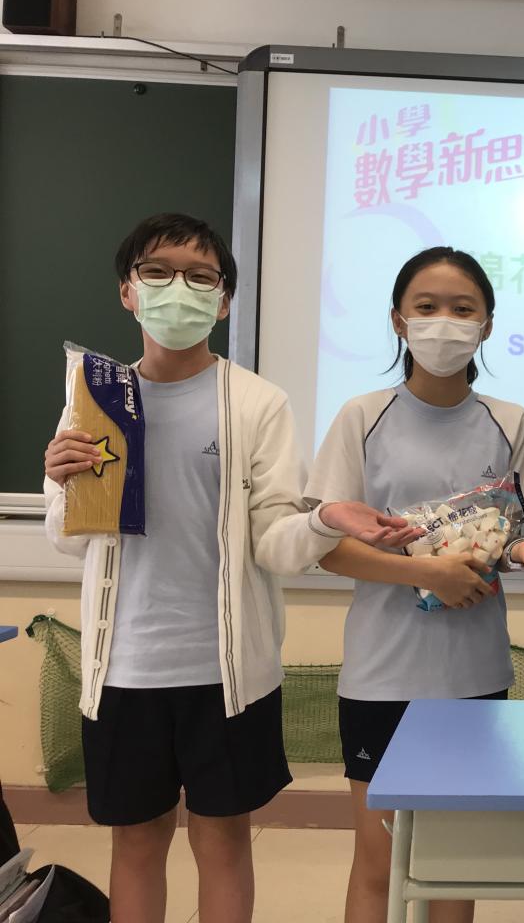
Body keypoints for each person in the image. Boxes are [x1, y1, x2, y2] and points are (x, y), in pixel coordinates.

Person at [263, 246, 524, 923]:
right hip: (383, 673)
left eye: (463, 309)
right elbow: (329, 549)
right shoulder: (362, 415)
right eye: (427, 307)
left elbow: (509, 532)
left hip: (475, 673)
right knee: (379, 863)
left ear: (487, 325)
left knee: (451, 861)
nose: (445, 322)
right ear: (398, 320)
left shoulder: (511, 421)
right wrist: (425, 573)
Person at [42, 214, 338, 923]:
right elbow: (69, 539)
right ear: (128, 292)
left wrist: (326, 522)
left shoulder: (258, 402)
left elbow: (273, 540)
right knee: (137, 843)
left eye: (201, 277)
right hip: (123, 668)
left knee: (224, 841)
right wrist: (60, 483)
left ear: (224, 300)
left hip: (227, 671)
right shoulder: (93, 398)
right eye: (157, 271)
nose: (179, 288)